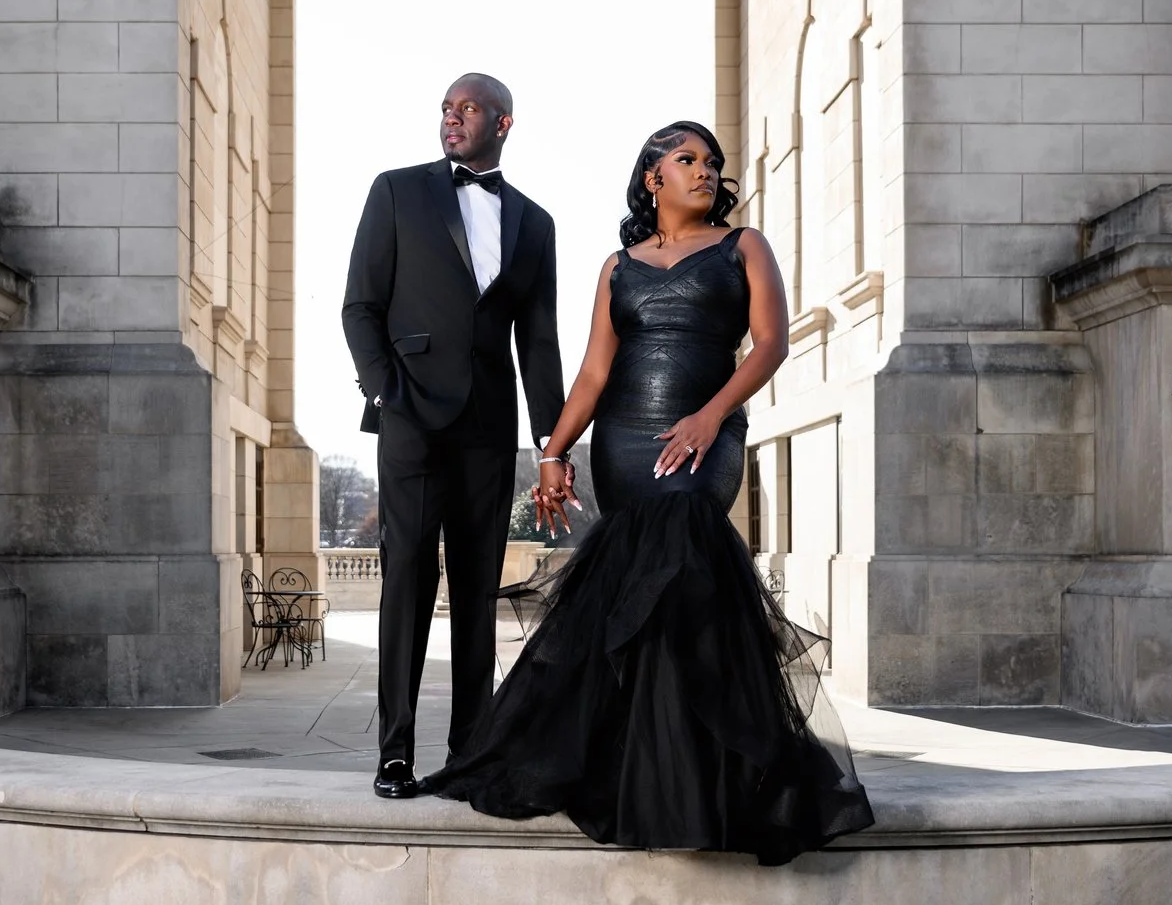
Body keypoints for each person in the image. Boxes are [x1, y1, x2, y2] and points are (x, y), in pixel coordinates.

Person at [420, 122, 875, 865]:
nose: (705, 171)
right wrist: (555, 450)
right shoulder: (617, 267)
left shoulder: (744, 246)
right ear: (652, 178)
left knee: (685, 580)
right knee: (638, 603)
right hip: (625, 445)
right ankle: (644, 775)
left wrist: (710, 414)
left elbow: (770, 344)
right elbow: (595, 373)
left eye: (711, 162)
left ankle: (695, 787)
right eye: (686, 159)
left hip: (704, 436)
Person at [342, 74, 564, 800]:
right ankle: (395, 752)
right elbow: (360, 305)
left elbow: (538, 343)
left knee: (477, 586)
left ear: (503, 121)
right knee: (407, 574)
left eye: (465, 108)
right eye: (444, 108)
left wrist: (552, 443)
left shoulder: (534, 223)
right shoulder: (397, 192)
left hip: (489, 429)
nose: (451, 119)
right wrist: (385, 389)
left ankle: (469, 748)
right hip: (410, 418)